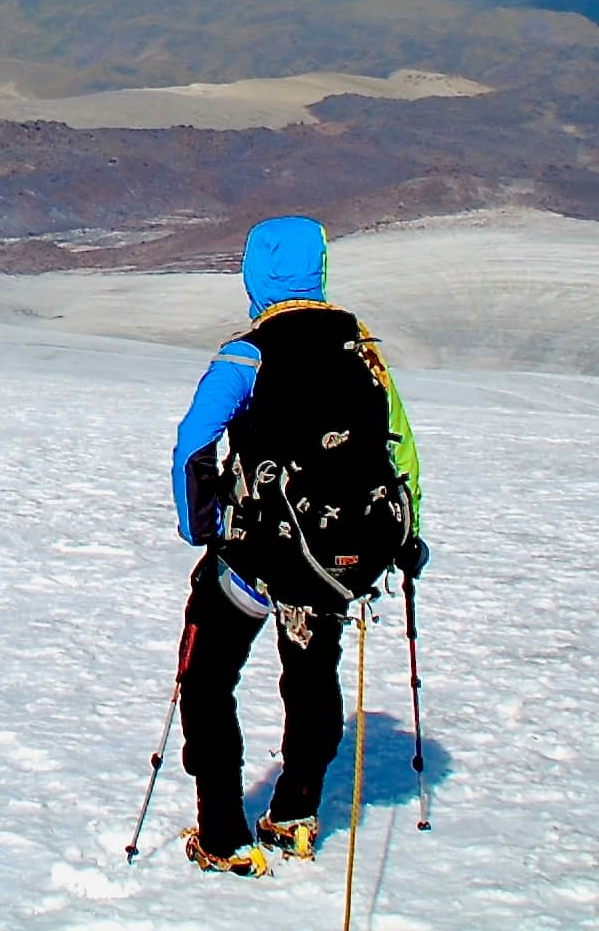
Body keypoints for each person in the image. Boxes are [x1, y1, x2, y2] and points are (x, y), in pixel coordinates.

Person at [166, 217, 425, 877]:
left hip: (255, 561)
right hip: (337, 564)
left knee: (207, 680)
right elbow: (402, 452)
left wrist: (203, 528)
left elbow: (194, 442)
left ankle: (223, 835)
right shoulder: (360, 350)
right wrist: (406, 534)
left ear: (255, 273)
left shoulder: (250, 354)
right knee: (311, 680)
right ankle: (295, 815)